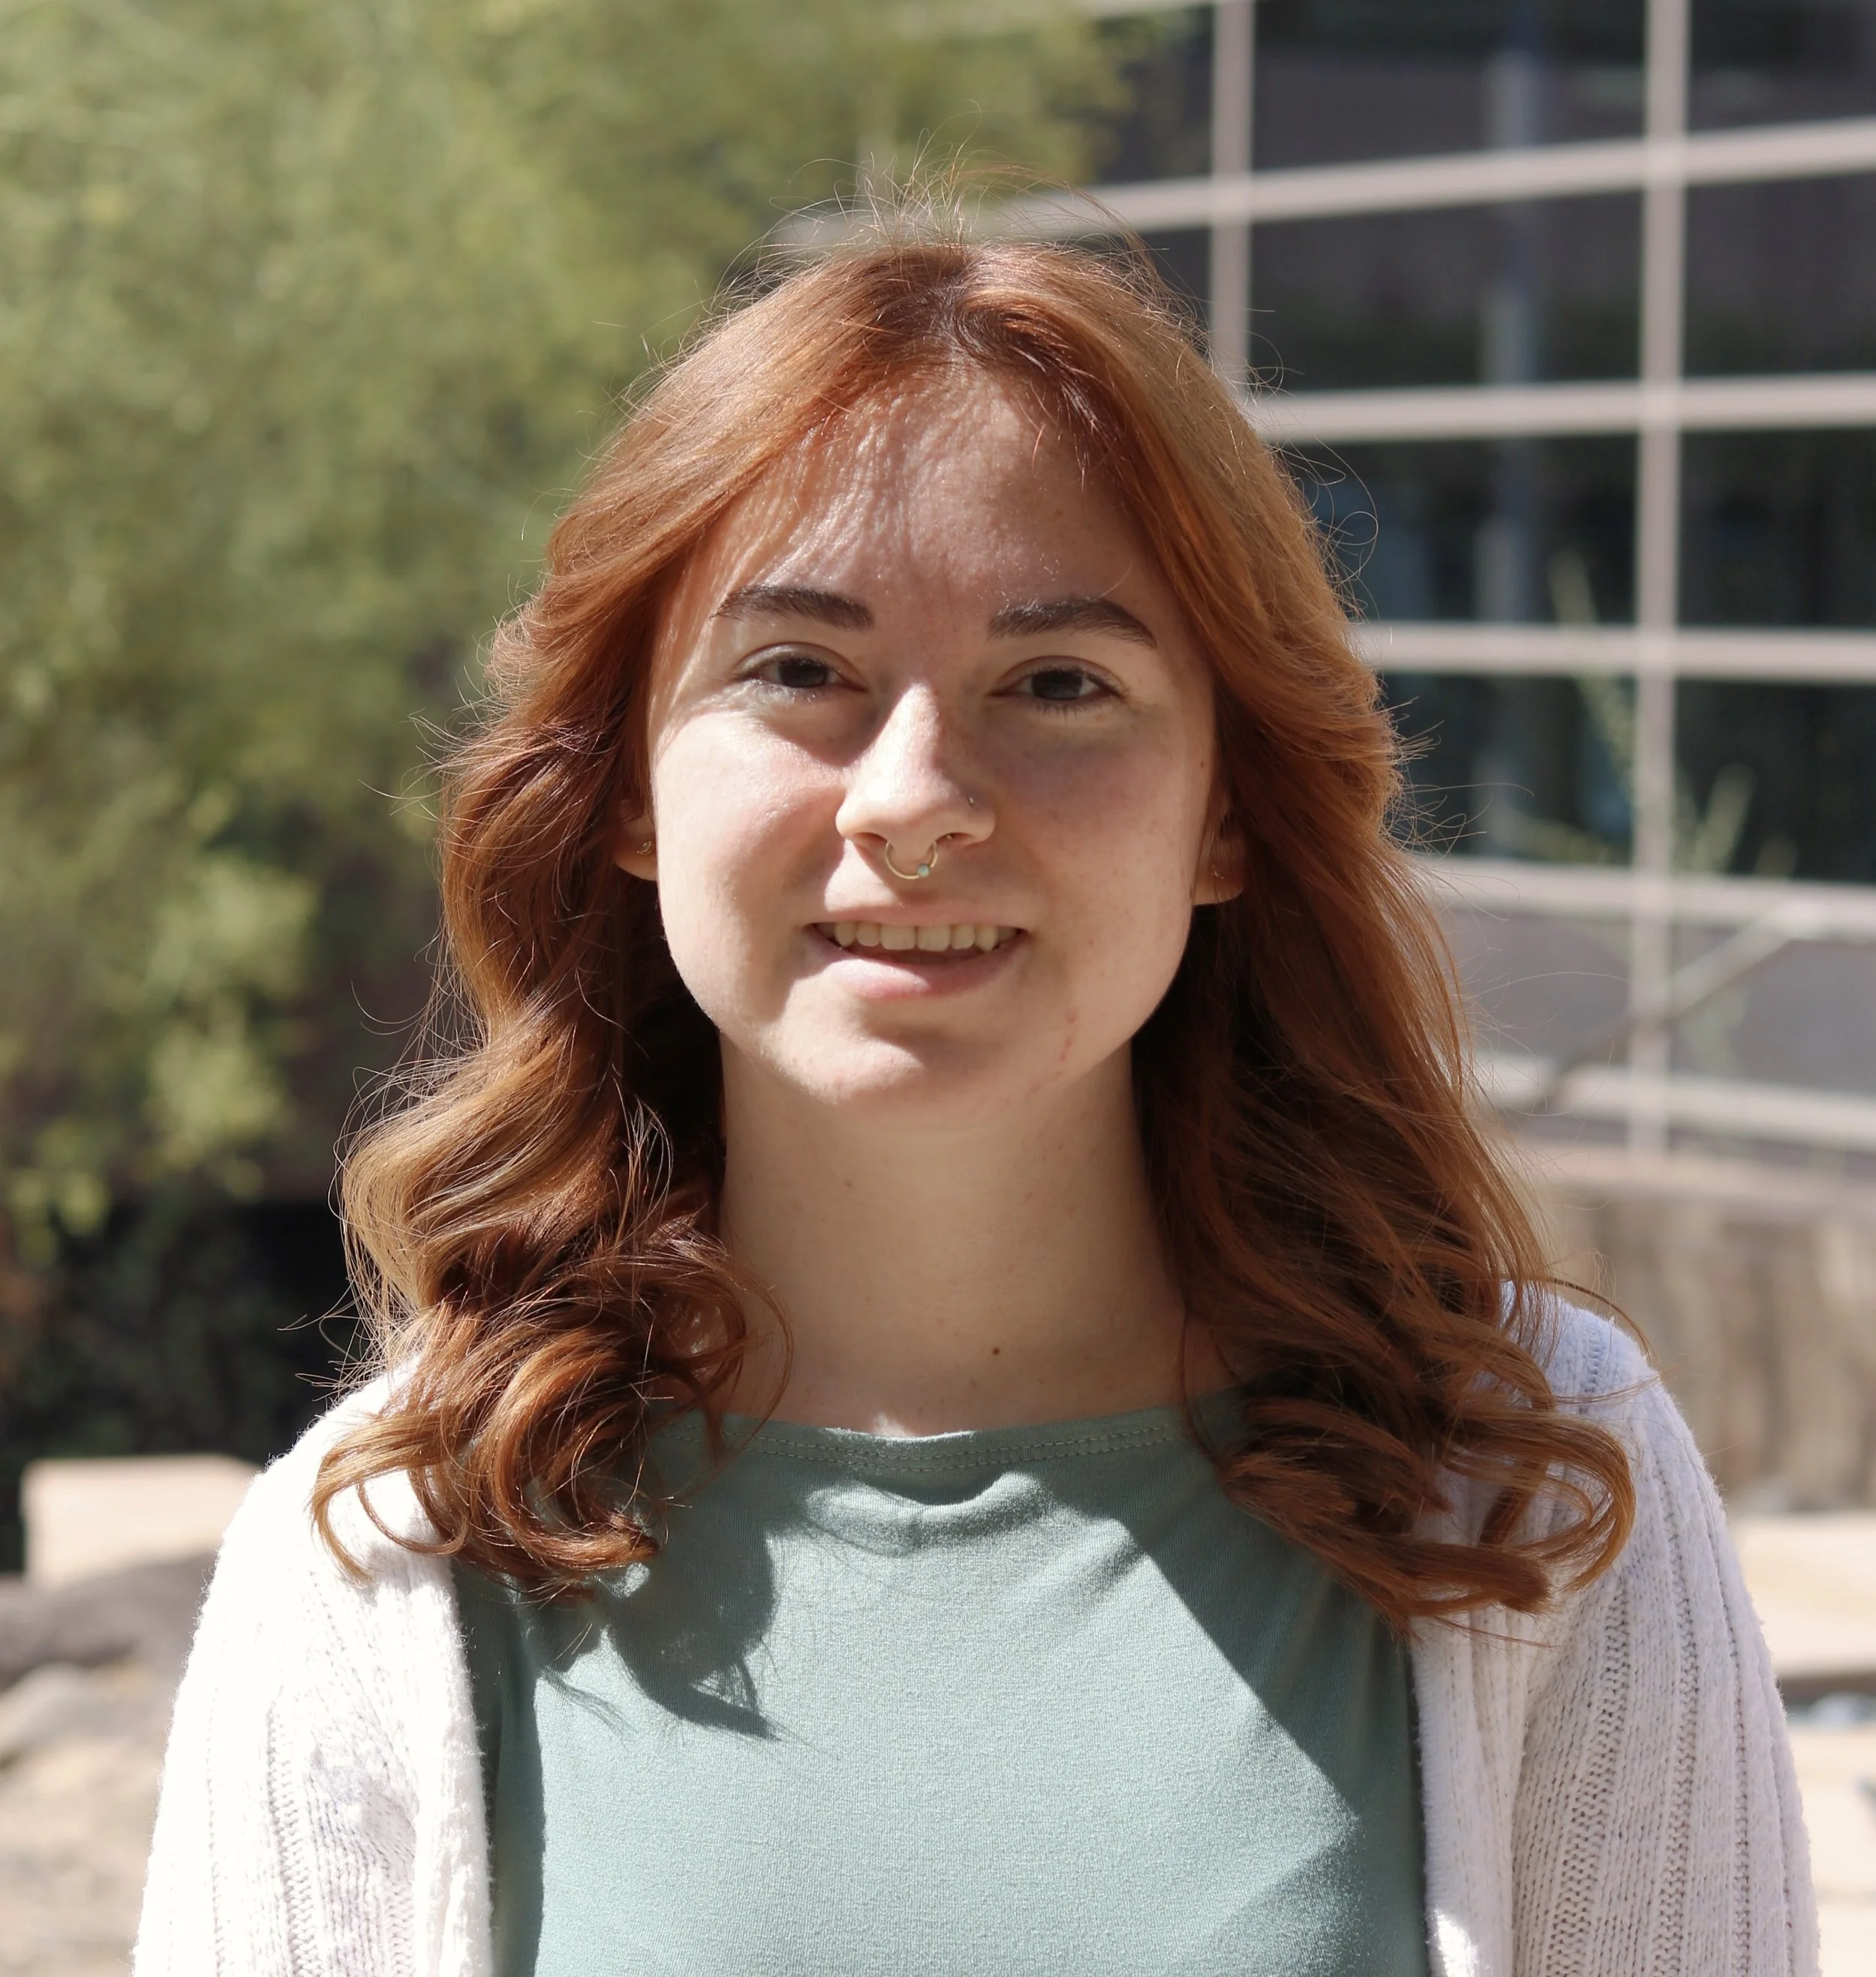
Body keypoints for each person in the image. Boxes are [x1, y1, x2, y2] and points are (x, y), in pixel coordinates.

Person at [134, 223, 1815, 1977]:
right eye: (797, 670)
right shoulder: (387, 1553)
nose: (915, 797)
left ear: (1227, 812)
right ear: (628, 788)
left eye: (1057, 685)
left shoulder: (1531, 1482)